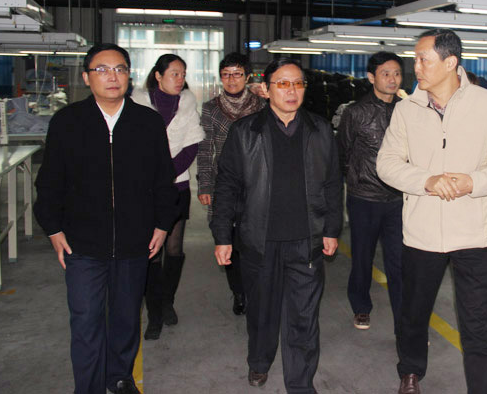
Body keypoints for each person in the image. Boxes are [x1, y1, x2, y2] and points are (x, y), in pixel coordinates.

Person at [376, 29, 487, 394]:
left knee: (476, 321)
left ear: (450, 62)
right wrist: (426, 181)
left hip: (475, 234)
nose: (415, 67)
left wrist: (474, 182)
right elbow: (387, 164)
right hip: (422, 234)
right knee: (414, 312)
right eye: (415, 59)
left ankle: (480, 387)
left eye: (423, 59)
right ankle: (410, 372)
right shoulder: (407, 110)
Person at [34, 44, 177, 394]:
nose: (112, 77)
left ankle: (119, 377)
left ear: (129, 76)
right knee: (86, 320)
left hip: (134, 241)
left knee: (126, 318)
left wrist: (162, 224)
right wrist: (53, 229)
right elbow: (49, 182)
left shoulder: (147, 122)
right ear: (87, 77)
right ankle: (88, 387)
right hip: (82, 244)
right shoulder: (67, 122)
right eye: (102, 69)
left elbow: (163, 180)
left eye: (120, 69)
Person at [211, 58, 342, 393]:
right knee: (262, 312)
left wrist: (331, 229)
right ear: (266, 90)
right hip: (260, 240)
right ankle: (259, 360)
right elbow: (226, 186)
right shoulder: (245, 131)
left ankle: (301, 384)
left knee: (304, 318)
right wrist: (223, 235)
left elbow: (332, 183)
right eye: (282, 83)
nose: (291, 90)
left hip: (306, 240)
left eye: (298, 83)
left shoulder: (319, 130)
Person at [131, 54, 205, 340]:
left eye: (183, 74)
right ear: (158, 76)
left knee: (173, 249)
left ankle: (167, 302)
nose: (180, 79)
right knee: (152, 252)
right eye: (174, 73)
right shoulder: (136, 104)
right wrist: (154, 176)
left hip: (177, 186)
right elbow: (132, 147)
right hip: (145, 188)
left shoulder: (187, 104)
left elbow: (192, 145)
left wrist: (166, 174)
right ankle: (154, 314)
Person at [336, 51, 403, 332]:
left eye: (397, 73)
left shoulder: (408, 110)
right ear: (371, 77)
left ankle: (405, 316)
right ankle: (361, 306)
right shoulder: (355, 112)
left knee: (399, 261)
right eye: (386, 73)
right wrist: (357, 179)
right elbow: (342, 153)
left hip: (399, 198)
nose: (392, 79)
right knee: (362, 257)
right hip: (364, 198)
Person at [197, 52, 266, 315]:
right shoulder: (211, 108)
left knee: (255, 239)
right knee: (228, 239)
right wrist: (205, 185)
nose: (231, 79)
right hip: (224, 183)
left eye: (237, 74)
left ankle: (255, 289)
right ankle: (238, 292)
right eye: (226, 74)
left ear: (247, 77)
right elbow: (205, 149)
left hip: (257, 183)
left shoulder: (262, 104)